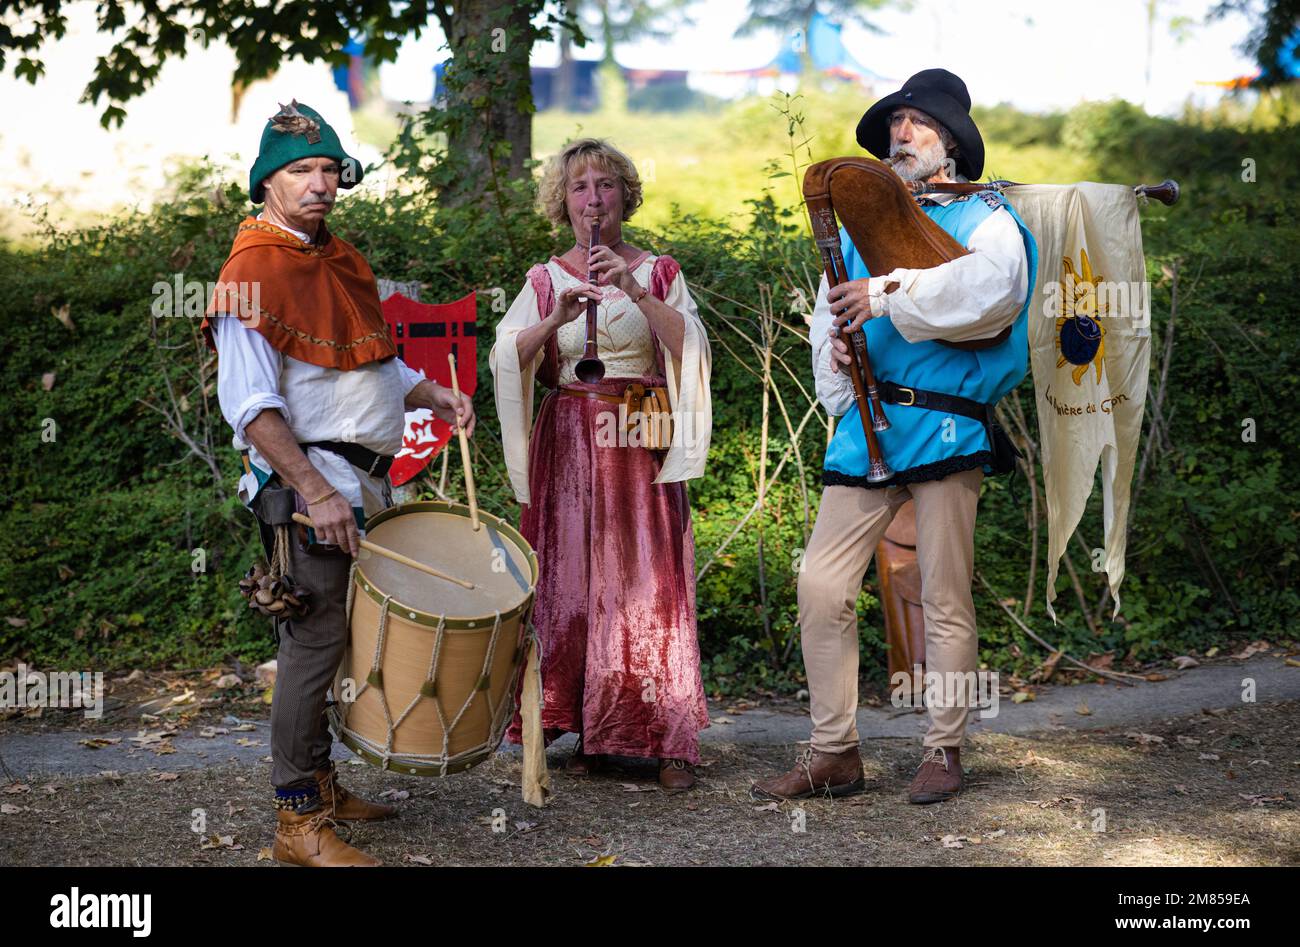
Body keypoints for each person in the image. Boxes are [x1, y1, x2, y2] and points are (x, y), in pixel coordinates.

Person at [751, 69, 1038, 805]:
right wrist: (840, 358)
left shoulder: (990, 221)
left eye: (915, 123)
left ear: (951, 143)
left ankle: (943, 747)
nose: (898, 135)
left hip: (946, 423)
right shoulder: (854, 231)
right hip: (866, 428)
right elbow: (827, 317)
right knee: (820, 585)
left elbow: (991, 297)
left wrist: (885, 295)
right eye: (894, 124)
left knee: (942, 594)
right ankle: (833, 752)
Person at [201, 99, 474, 865]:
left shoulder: (338, 257)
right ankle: (297, 822)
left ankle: (321, 786)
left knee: (345, 641)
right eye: (300, 171)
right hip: (311, 488)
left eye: (327, 168)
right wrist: (316, 493)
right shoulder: (251, 273)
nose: (318, 183)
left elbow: (371, 364)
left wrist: (430, 394)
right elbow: (252, 409)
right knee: (313, 644)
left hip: (361, 485)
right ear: (267, 184)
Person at [490, 138, 713, 790]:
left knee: (648, 576)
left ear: (626, 194)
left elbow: (692, 348)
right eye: (580, 187)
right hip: (568, 435)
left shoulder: (661, 270)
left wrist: (636, 293)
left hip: (640, 420)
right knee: (573, 580)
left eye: (606, 185)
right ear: (563, 201)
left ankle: (667, 738)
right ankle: (592, 721)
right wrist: (553, 316)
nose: (594, 197)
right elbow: (508, 357)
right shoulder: (543, 279)